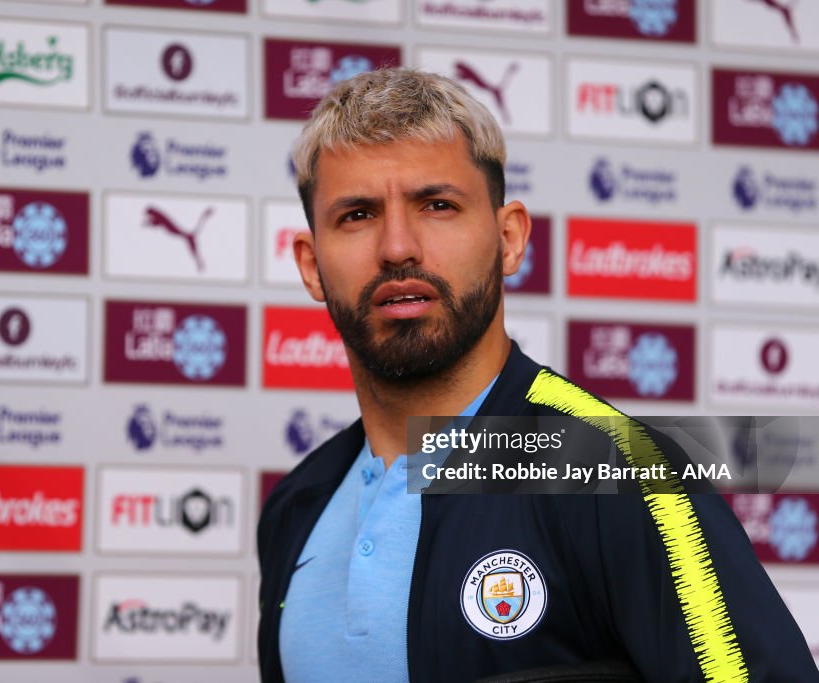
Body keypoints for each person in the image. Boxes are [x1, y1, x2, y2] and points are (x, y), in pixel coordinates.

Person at [256, 68, 817, 683]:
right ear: (311, 266)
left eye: (437, 205)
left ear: (509, 238)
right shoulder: (296, 506)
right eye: (357, 215)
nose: (397, 246)